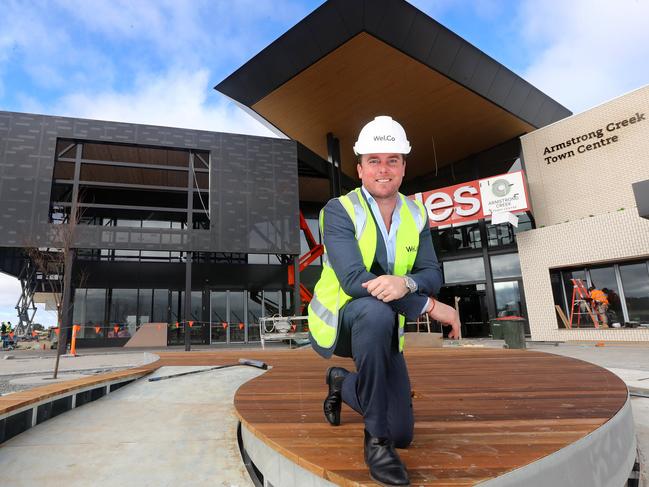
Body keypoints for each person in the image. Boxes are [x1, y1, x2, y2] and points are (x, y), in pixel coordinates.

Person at [308, 116, 461, 486]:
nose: (383, 169)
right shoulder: (339, 210)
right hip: (343, 322)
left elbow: (430, 273)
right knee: (374, 310)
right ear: (360, 169)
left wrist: (406, 282)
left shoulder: (416, 212)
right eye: (374, 160)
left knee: (404, 433)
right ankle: (375, 442)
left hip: (385, 327)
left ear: (404, 167)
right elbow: (352, 280)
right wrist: (427, 306)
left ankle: (342, 383)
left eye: (393, 159)